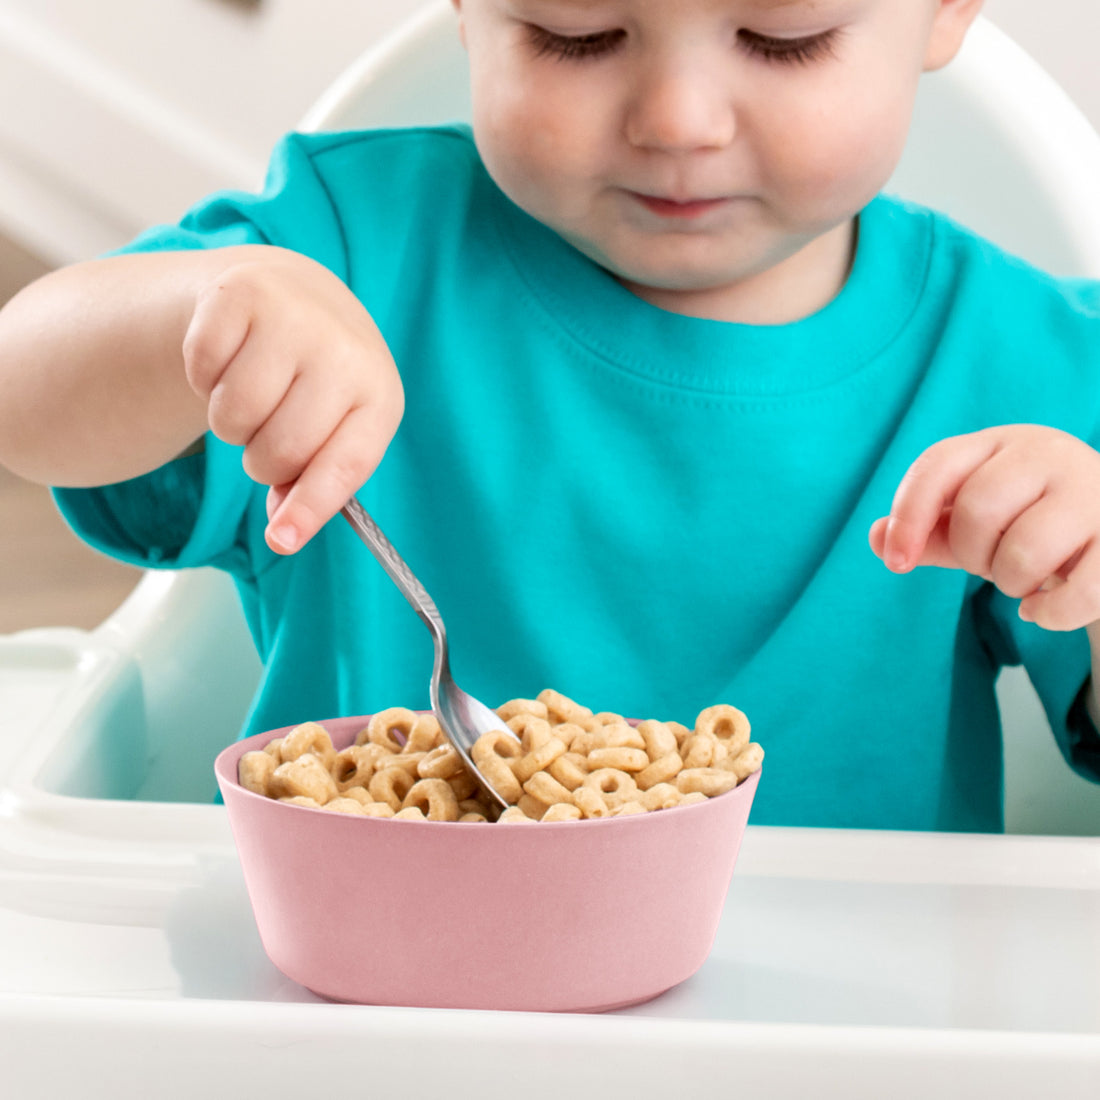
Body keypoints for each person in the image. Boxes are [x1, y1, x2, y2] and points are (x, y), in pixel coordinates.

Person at [0, 0, 1097, 830]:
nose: (677, 118)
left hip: (841, 1032)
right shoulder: (350, 250)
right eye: (575, 33)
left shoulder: (1025, 361)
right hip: (377, 1005)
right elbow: (21, 390)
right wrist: (199, 319)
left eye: (779, 37)